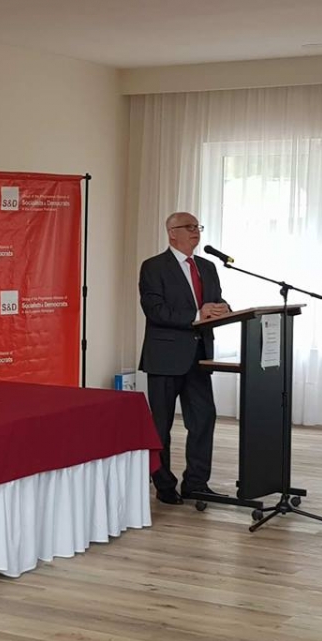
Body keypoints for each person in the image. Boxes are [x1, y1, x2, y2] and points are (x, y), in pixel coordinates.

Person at [139, 212, 230, 505]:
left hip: (199, 358)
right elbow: (156, 311)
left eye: (197, 227)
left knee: (203, 419)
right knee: (161, 425)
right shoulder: (153, 266)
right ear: (171, 232)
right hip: (165, 358)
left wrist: (224, 309)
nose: (195, 231)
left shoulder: (208, 267)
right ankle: (164, 484)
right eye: (189, 227)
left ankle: (196, 483)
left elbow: (215, 302)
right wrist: (197, 315)